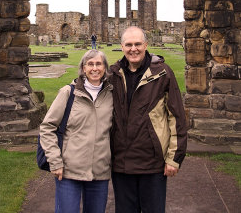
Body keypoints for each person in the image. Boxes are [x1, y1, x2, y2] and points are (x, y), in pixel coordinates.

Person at [109, 26, 187, 213]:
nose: (133, 49)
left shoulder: (162, 73)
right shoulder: (113, 75)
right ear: (122, 47)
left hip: (152, 163)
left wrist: (174, 158)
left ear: (146, 45)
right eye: (129, 44)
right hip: (122, 163)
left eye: (137, 44)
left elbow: (176, 117)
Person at [39, 49, 113, 213]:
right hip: (68, 170)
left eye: (99, 64)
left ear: (105, 68)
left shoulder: (111, 94)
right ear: (83, 68)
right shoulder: (69, 92)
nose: (95, 68)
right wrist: (55, 161)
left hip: (99, 171)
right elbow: (47, 127)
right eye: (90, 64)